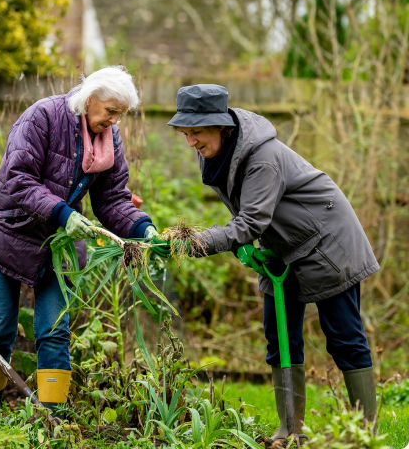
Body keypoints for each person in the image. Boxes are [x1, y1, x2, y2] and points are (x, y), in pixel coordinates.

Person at [157, 84, 379, 436]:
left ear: (221, 126)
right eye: (185, 133)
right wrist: (241, 243)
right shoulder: (216, 153)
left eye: (196, 132)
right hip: (282, 248)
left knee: (343, 337)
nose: (191, 142)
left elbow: (250, 221)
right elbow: (250, 215)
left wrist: (199, 241)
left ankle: (365, 432)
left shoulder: (262, 157)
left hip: (328, 243)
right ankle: (290, 430)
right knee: (279, 337)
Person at [0, 66, 160, 415]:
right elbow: (18, 176)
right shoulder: (42, 117)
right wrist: (63, 212)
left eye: (120, 115)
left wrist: (143, 228)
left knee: (54, 331)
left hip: (59, 245)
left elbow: (112, 200)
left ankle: (49, 421)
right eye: (110, 112)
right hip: (10, 233)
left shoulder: (109, 140)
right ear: (90, 100)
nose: (114, 122)